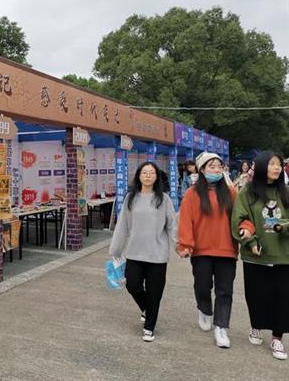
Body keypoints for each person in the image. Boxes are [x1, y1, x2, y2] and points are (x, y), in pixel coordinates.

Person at [109, 162, 177, 342]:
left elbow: (172, 225)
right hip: (134, 252)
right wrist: (116, 249)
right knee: (133, 285)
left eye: (151, 173)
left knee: (155, 292)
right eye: (144, 172)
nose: (147, 176)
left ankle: (149, 326)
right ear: (139, 176)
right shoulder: (130, 198)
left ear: (156, 177)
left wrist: (179, 245)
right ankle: (147, 309)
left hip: (157, 254)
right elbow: (122, 225)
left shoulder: (164, 199)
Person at [231, 151, 289, 360]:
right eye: (272, 164)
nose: (277, 168)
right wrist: (251, 241)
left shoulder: (286, 192)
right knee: (256, 295)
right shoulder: (248, 192)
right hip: (255, 256)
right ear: (263, 166)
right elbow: (239, 218)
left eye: (279, 164)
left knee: (283, 298)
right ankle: (256, 325)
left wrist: (283, 226)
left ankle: (277, 338)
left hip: (283, 256)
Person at [177, 152, 237, 348]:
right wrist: (185, 244)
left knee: (225, 290)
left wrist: (246, 229)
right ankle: (204, 309)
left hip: (226, 250)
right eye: (212, 166)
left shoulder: (231, 193)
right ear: (202, 170)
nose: (217, 170)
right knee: (203, 286)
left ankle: (221, 327)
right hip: (201, 250)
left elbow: (241, 217)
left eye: (219, 166)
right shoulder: (192, 194)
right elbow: (186, 221)